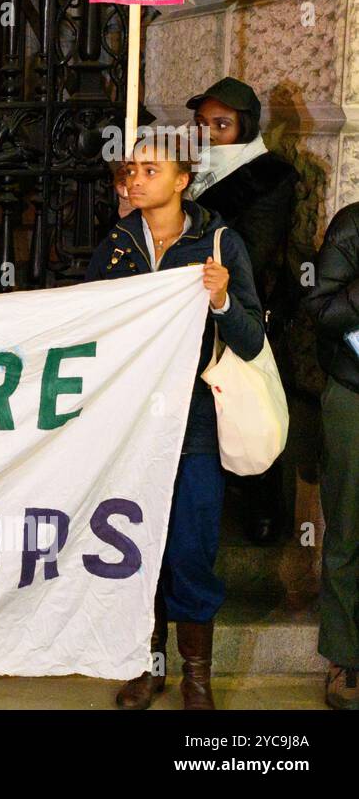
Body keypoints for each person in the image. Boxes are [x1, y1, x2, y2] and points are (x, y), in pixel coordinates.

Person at [85, 142, 265, 711]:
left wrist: (220, 300)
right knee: (141, 548)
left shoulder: (218, 242)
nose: (133, 181)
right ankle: (149, 667)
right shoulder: (117, 244)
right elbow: (87, 325)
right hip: (129, 423)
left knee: (190, 548)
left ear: (183, 179)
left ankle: (197, 680)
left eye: (149, 171)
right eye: (129, 171)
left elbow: (252, 338)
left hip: (194, 425)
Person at [187, 77, 299, 544]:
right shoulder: (192, 168)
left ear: (246, 126)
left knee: (249, 398)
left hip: (246, 303)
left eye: (222, 124)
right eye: (203, 123)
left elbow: (256, 249)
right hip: (197, 303)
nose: (209, 133)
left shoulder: (271, 175)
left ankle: (263, 507)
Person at [301, 201, 359, 709]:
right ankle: (346, 658)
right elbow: (320, 310)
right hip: (354, 392)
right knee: (348, 525)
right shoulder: (354, 225)